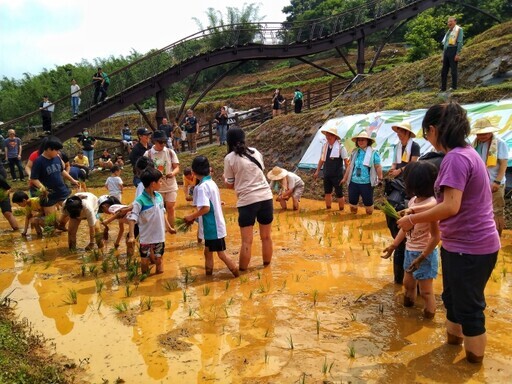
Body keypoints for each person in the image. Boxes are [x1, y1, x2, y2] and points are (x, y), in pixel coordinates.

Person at [397, 102, 500, 364]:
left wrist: (413, 218)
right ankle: (451, 354)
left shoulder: (455, 158)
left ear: (433, 130)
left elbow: (450, 206)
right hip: (460, 245)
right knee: (452, 300)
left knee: (469, 308)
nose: (428, 138)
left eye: (426, 133)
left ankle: (471, 368)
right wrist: (413, 215)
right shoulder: (466, 153)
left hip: (471, 247)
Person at [382, 162, 440, 319]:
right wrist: (394, 245)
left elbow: (436, 236)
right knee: (408, 285)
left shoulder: (433, 204)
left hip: (425, 254)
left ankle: (428, 318)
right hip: (410, 251)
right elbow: (405, 228)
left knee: (427, 291)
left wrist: (422, 257)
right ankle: (407, 316)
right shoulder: (413, 200)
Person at [224, 127, 273, 271]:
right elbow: (259, 172)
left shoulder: (230, 158)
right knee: (266, 237)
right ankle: (266, 269)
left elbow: (230, 185)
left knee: (247, 241)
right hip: (266, 197)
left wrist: (225, 180)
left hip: (247, 201)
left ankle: (242, 272)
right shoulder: (255, 152)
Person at [185, 156, 239, 277]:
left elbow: (206, 208)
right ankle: (208, 276)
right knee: (207, 252)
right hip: (214, 225)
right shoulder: (211, 183)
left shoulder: (201, 187)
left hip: (212, 227)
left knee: (221, 254)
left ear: (193, 172)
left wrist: (191, 216)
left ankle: (236, 273)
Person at [386, 121, 420, 284]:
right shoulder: (396, 147)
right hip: (397, 183)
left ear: (407, 133)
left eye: (400, 132)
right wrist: (393, 171)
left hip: (408, 180)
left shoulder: (415, 146)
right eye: (398, 132)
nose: (398, 135)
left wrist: (400, 171)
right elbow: (395, 162)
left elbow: (412, 163)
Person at [128, 167, 175, 275]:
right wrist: (131, 236)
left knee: (159, 260)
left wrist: (169, 228)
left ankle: (159, 281)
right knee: (144, 261)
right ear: (153, 184)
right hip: (146, 238)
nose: (162, 183)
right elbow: (132, 218)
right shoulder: (139, 201)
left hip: (159, 236)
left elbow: (163, 213)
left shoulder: (158, 196)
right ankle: (144, 279)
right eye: (160, 181)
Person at [472, 118, 508, 236]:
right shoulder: (475, 144)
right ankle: (485, 236)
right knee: (481, 211)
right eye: (480, 133)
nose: (482, 136)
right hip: (481, 184)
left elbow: (503, 164)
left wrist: (497, 182)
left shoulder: (499, 143)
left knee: (497, 211)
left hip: (494, 183)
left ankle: (497, 237)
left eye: (485, 133)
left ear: (490, 132)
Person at [30, 136, 78, 216]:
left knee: (71, 211)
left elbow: (62, 171)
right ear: (49, 149)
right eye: (56, 150)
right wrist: (43, 189)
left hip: (61, 190)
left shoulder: (57, 158)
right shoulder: (38, 162)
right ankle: (38, 221)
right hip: (48, 195)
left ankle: (62, 224)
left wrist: (72, 180)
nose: (58, 152)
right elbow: (33, 178)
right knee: (51, 221)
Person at [341, 131, 383, 215]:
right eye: (359, 140)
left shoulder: (373, 152)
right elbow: (350, 166)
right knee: (352, 203)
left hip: (366, 183)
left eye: (363, 140)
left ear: (368, 141)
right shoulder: (355, 152)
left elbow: (377, 166)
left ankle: (369, 221)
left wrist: (380, 177)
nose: (361, 142)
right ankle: (353, 221)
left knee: (368, 204)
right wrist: (345, 178)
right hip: (354, 182)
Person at [144, 130, 180, 227]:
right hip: (156, 187)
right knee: (158, 210)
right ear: (155, 142)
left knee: (170, 208)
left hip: (170, 185)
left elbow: (177, 167)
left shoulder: (170, 152)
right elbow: (145, 171)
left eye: (164, 142)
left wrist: (172, 173)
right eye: (160, 142)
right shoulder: (148, 154)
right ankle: (160, 230)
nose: (163, 144)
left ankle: (171, 230)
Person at [313, 126, 349, 211]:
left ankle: (341, 210)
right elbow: (322, 159)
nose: (328, 137)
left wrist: (345, 177)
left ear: (335, 137)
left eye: (331, 135)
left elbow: (346, 162)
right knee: (327, 192)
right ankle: (328, 208)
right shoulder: (325, 146)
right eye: (327, 135)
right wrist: (317, 171)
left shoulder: (341, 147)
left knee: (339, 193)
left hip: (337, 175)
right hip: (327, 173)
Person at [440, 16, 463, 92]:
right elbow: (445, 43)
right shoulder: (448, 31)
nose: (449, 23)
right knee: (444, 71)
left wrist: (457, 53)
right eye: (448, 22)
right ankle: (443, 88)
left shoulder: (459, 29)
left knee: (453, 70)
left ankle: (454, 87)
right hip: (447, 51)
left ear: (455, 22)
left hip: (453, 50)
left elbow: (460, 42)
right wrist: (443, 55)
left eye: (451, 21)